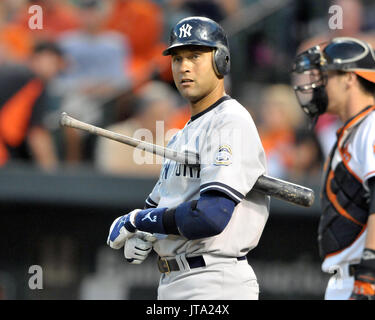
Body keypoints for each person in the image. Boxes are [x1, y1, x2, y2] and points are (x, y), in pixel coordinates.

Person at [106, 16, 269, 300]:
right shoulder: (181, 135)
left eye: (195, 56)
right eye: (178, 58)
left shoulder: (230, 121)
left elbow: (210, 216)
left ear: (221, 61)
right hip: (174, 281)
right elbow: (160, 208)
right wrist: (145, 236)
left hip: (215, 282)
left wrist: (138, 221)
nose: (185, 67)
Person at [292, 37, 375, 300]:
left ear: (349, 77)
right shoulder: (351, 130)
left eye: (325, 76)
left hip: (361, 279)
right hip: (344, 280)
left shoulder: (371, 124)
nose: (318, 85)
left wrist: (369, 276)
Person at [0, 41, 63, 170]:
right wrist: (53, 174)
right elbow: (37, 134)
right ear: (35, 59)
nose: (54, 68)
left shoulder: (13, 74)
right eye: (51, 62)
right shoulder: (34, 83)